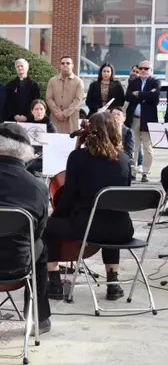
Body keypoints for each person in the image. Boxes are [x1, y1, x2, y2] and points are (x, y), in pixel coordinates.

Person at [0, 123, 52, 334]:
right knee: (41, 247)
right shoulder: (38, 187)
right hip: (16, 266)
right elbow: (38, 232)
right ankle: (38, 318)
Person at [44, 111, 131, 301]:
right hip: (122, 230)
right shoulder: (124, 159)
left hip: (87, 228)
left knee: (46, 227)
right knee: (111, 215)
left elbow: (68, 196)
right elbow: (122, 197)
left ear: (90, 131)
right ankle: (113, 284)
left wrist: (57, 216)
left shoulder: (78, 157)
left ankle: (55, 283)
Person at [125, 60, 159, 182]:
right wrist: (146, 95)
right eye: (141, 68)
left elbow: (155, 96)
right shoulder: (134, 82)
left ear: (151, 70)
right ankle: (133, 172)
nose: (143, 70)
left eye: (146, 68)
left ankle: (145, 173)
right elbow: (128, 96)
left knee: (147, 147)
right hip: (134, 119)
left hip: (148, 119)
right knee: (134, 146)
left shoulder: (155, 81)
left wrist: (138, 94)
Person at [45, 55, 84, 133]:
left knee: (70, 140)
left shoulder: (78, 82)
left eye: (68, 63)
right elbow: (49, 98)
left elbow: (78, 100)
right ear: (60, 66)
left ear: (72, 65)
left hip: (71, 119)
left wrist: (65, 114)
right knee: (54, 139)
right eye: (63, 63)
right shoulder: (52, 81)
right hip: (55, 118)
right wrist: (57, 112)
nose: (65, 65)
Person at [4, 58, 40, 123]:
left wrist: (27, 116)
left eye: (21, 66)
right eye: (17, 66)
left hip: (29, 119)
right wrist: (14, 115)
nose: (20, 68)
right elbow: (7, 102)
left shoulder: (34, 85)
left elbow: (35, 102)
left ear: (27, 68)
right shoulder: (10, 85)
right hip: (13, 119)